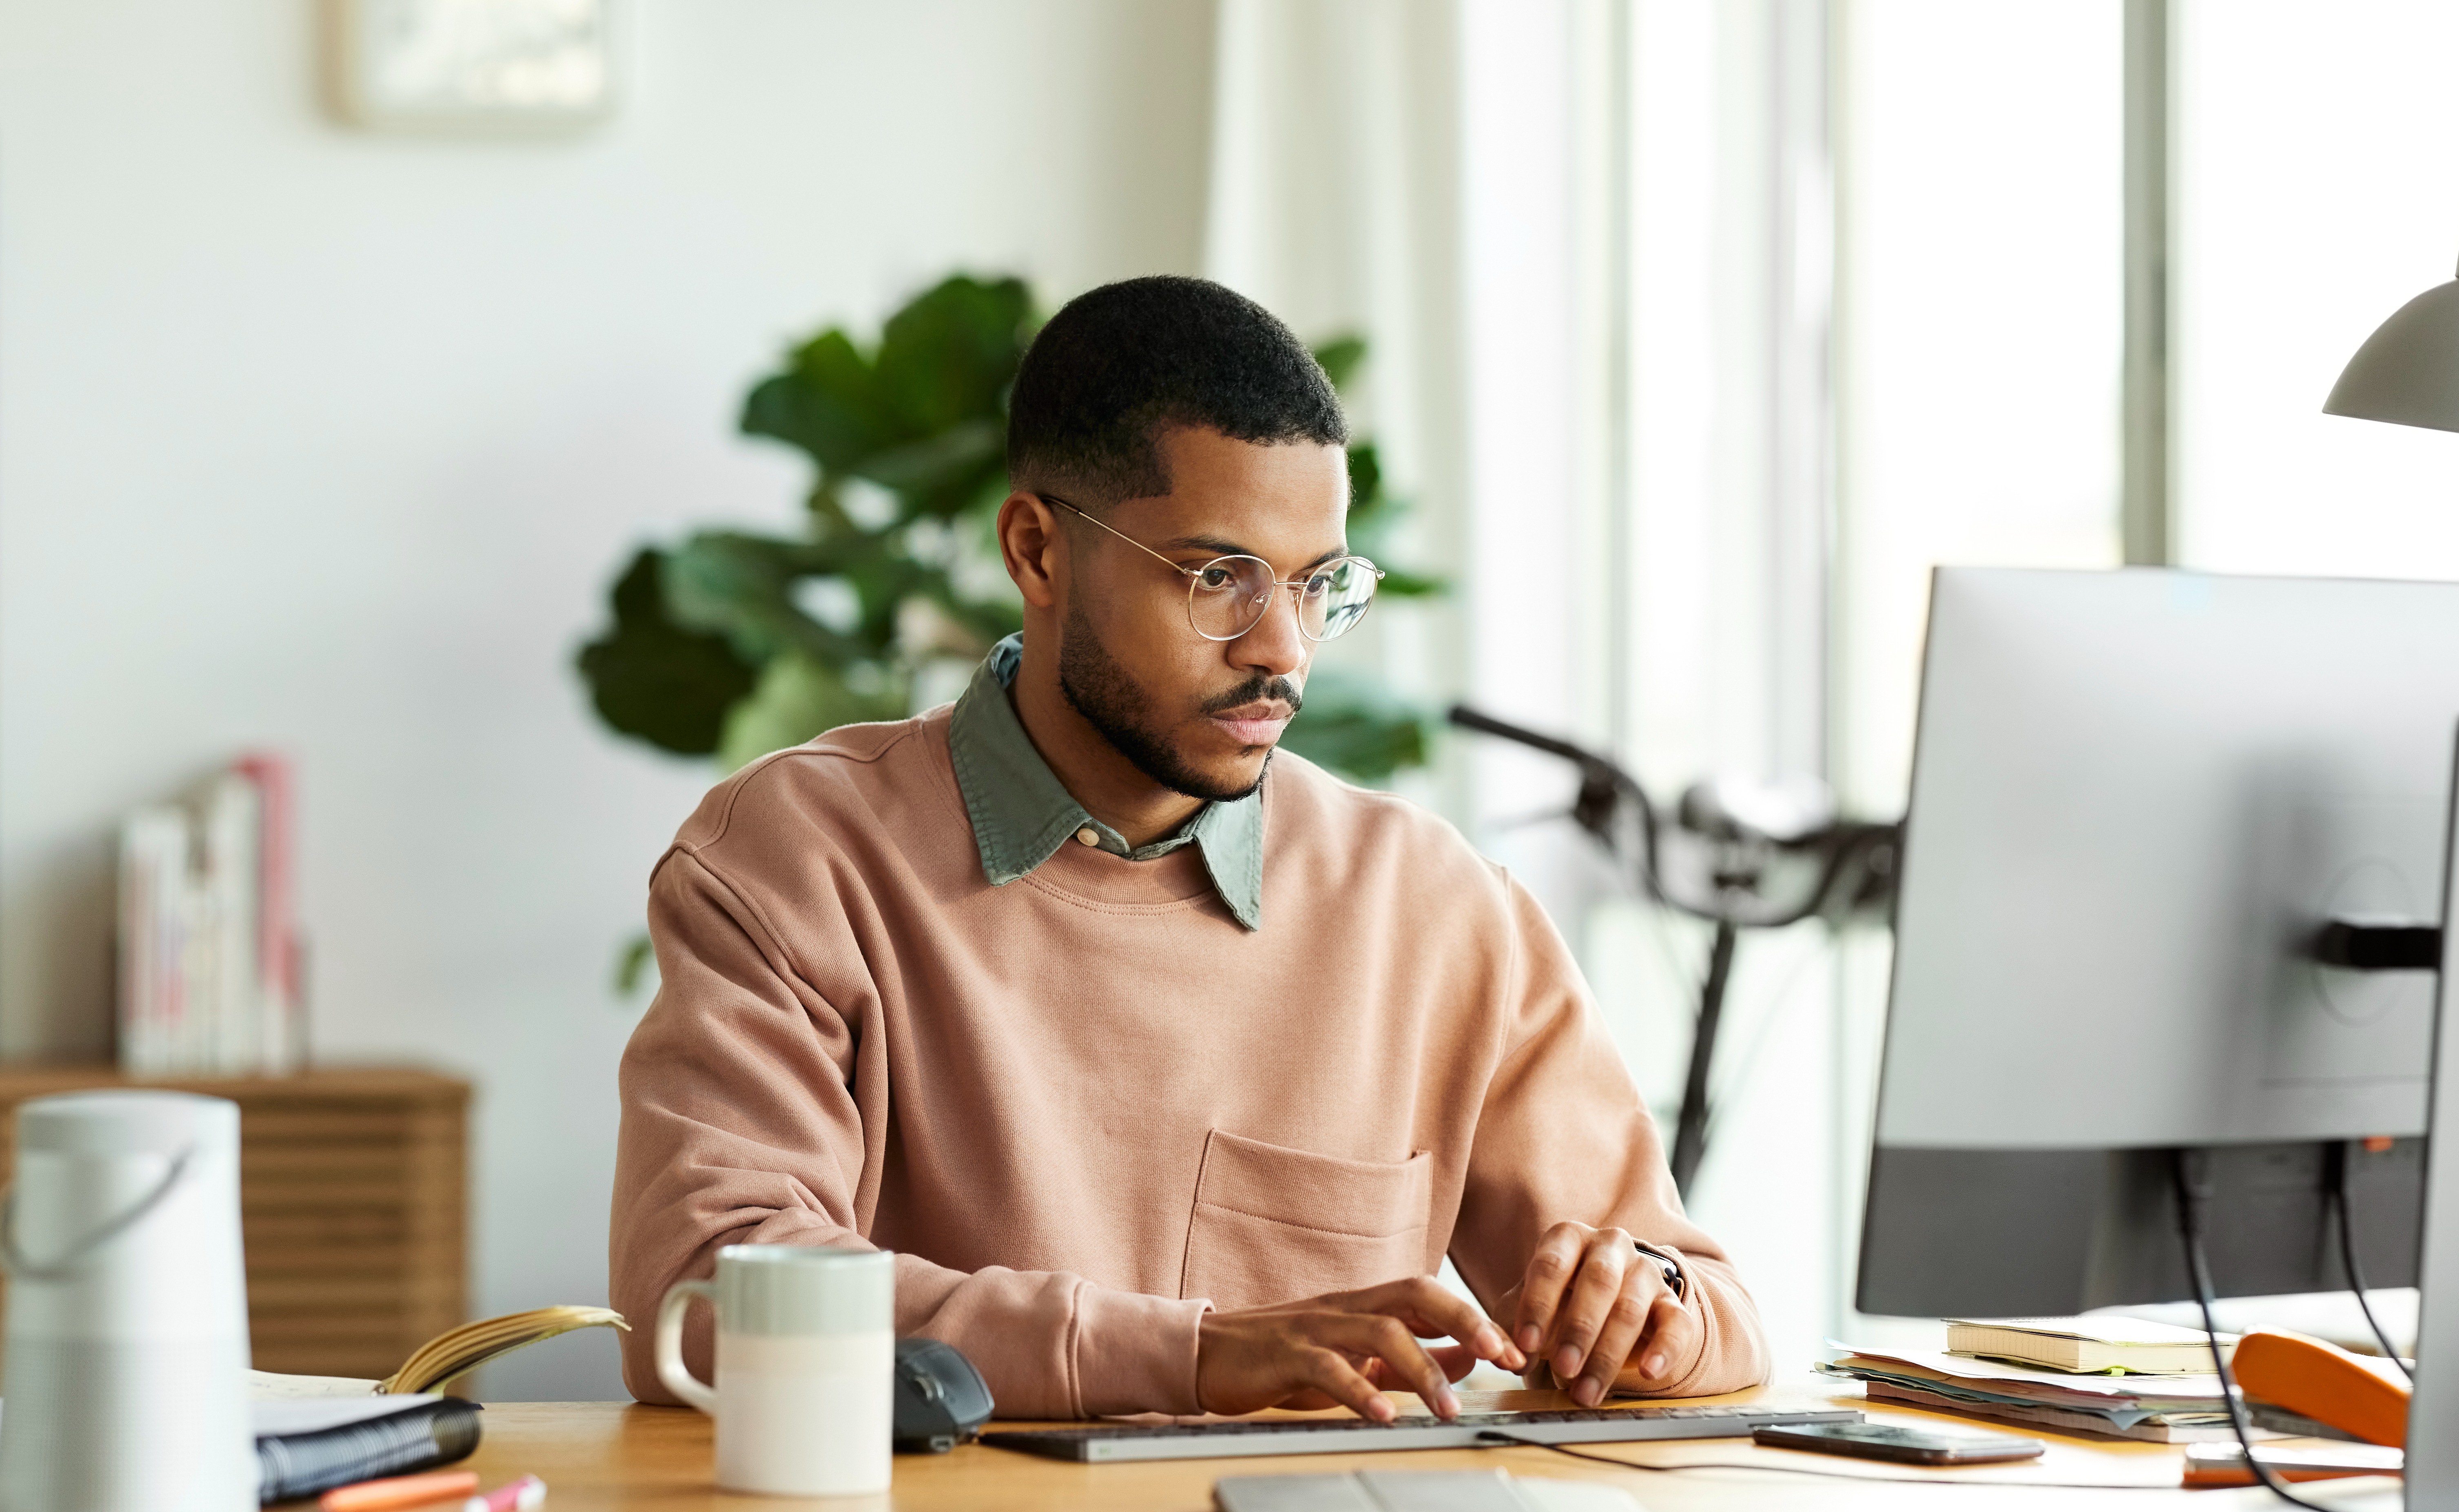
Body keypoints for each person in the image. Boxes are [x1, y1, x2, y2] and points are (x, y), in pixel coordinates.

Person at [611, 275, 1766, 1423]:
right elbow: (707, 1296)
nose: (1285, 653)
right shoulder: (797, 861)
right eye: (1219, 577)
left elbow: (1711, 1303)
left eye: (1319, 586)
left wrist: (1647, 1308)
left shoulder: (1435, 906)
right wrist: (1199, 1355)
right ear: (1037, 551)